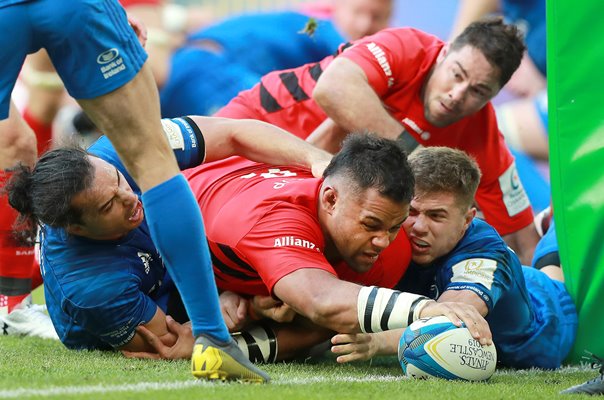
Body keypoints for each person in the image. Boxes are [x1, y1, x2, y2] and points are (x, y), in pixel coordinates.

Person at [0, 0, 265, 381]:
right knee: (150, 157)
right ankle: (213, 336)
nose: (129, 198)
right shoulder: (93, 287)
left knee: (13, 141)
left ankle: (11, 300)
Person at [4, 116, 334, 381]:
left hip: (180, 256)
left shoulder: (121, 150)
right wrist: (248, 309)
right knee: (313, 327)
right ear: (77, 229)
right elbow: (176, 342)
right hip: (157, 305)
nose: (131, 199)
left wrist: (316, 158)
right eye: (109, 206)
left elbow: (233, 132)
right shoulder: (94, 288)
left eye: (120, 181)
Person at [121, 134, 493, 363]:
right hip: (149, 236)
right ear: (329, 199)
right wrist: (428, 308)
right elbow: (321, 300)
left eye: (395, 226)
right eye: (371, 225)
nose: (384, 241)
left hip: (239, 258)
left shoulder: (390, 248)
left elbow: (321, 324)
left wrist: (239, 328)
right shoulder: (272, 220)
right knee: (117, 325)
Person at [215, 17, 540, 265]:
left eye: (478, 92)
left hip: (306, 181)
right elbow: (333, 89)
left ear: (495, 96)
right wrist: (416, 155)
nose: (458, 95)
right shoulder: (407, 47)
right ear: (444, 52)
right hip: (251, 127)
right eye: (457, 74)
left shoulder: (483, 133)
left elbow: (523, 241)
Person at [329, 147, 577, 370]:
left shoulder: (485, 253)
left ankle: (558, 223)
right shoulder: (392, 225)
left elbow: (450, 319)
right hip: (511, 283)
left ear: (467, 220)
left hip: (545, 318)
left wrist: (377, 341)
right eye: (412, 212)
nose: (419, 227)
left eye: (436, 216)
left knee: (553, 272)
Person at [160, 0, 393, 117]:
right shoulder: (317, 25)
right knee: (276, 126)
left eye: (377, 18)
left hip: (184, 69)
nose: (365, 25)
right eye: (359, 12)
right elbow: (357, 55)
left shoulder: (292, 22)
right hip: (211, 71)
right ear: (338, 7)